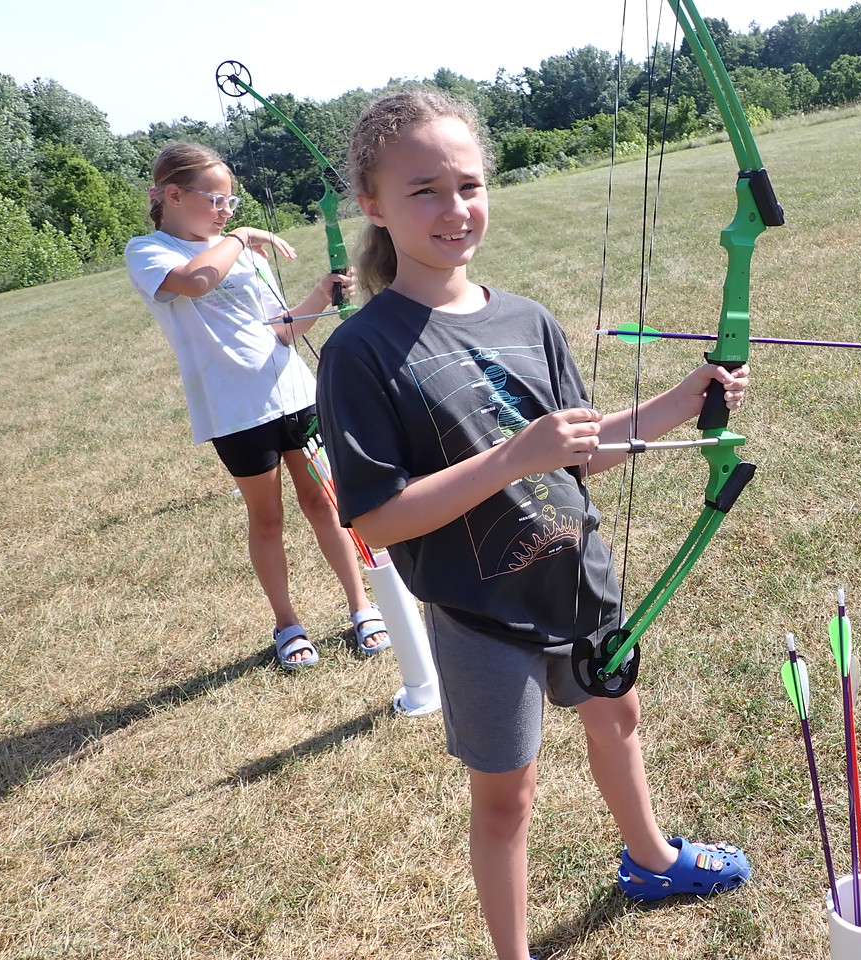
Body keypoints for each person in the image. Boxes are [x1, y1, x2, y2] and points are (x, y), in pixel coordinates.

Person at [315, 90, 752, 960]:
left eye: (469, 185)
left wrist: (686, 397)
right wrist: (513, 459)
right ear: (372, 204)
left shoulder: (527, 319)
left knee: (617, 721)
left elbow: (582, 450)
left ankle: (652, 858)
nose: (455, 209)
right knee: (506, 795)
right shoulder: (360, 350)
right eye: (425, 190)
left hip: (578, 580)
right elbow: (379, 517)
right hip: (482, 615)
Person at [125, 142, 391, 670]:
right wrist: (242, 236)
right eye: (217, 201)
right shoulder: (150, 251)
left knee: (328, 505)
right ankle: (288, 624)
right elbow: (196, 283)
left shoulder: (240, 252)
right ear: (173, 195)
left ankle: (362, 608)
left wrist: (321, 293)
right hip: (234, 412)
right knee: (266, 519)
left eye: (232, 204)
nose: (226, 213)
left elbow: (282, 331)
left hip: (296, 395)